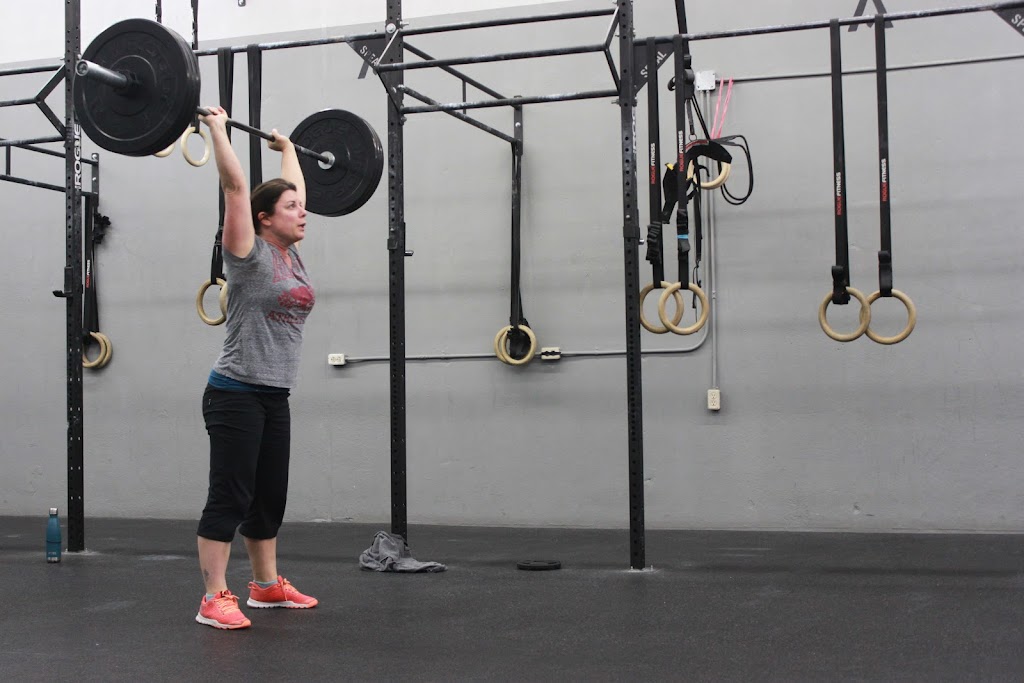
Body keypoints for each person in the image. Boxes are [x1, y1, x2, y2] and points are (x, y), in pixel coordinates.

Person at [193, 106, 318, 630]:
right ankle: (213, 597)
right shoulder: (248, 253)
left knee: (269, 495)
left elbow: (293, 189)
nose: (302, 213)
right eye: (291, 209)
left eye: (300, 207)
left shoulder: (292, 254)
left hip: (274, 394)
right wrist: (218, 130)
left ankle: (266, 586)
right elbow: (236, 189)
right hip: (235, 391)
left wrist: (288, 149)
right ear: (265, 218)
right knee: (231, 494)